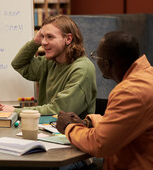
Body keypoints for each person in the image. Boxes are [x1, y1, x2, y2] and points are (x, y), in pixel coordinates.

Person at [57, 31, 153, 170]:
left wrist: (68, 127)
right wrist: (88, 122)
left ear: (107, 63)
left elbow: (98, 144)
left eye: (96, 56)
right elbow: (125, 123)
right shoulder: (147, 76)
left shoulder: (130, 92)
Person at [0, 15, 97, 118]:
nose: (43, 42)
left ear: (68, 39)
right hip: (47, 129)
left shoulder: (82, 69)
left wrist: (16, 111)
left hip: (71, 132)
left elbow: (59, 110)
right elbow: (19, 64)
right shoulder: (50, 62)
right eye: (42, 37)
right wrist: (35, 42)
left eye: (50, 37)